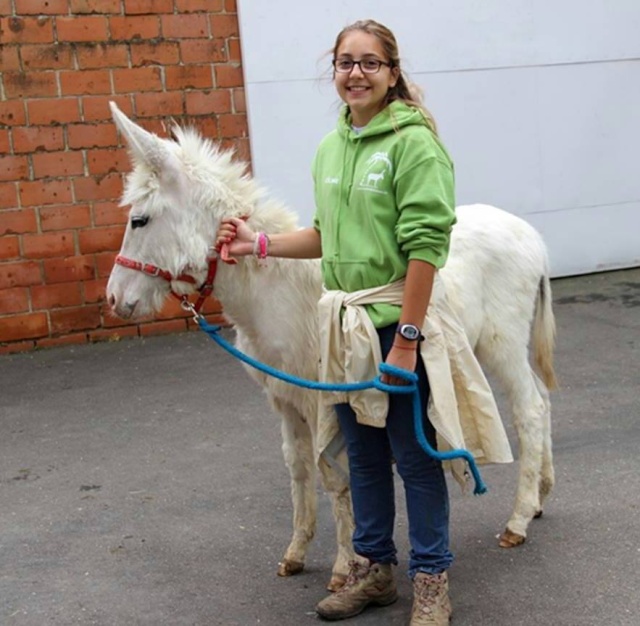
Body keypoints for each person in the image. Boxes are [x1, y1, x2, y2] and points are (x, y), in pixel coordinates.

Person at [217, 19, 458, 626]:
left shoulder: (414, 144)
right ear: (335, 73)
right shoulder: (331, 148)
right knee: (364, 454)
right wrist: (257, 244)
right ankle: (375, 570)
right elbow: (325, 237)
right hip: (342, 325)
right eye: (346, 63)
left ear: (392, 73)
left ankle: (432, 579)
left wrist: (405, 339)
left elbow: (427, 247)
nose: (356, 73)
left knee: (414, 454)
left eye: (370, 63)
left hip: (394, 323)